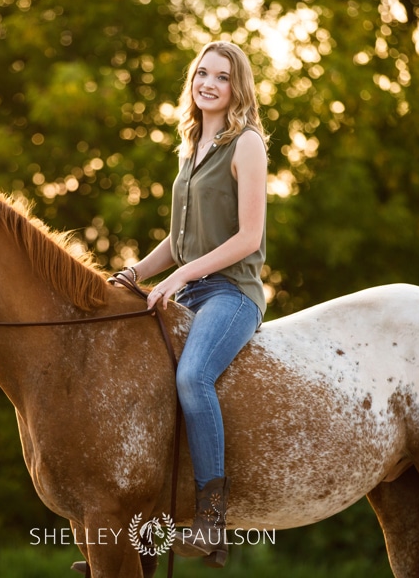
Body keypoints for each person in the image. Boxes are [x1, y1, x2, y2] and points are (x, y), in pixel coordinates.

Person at [115, 40, 268, 569]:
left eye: (222, 77)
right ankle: (145, 526)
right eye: (202, 73)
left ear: (237, 88)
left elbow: (249, 236)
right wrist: (135, 272)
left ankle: (212, 519)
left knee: (191, 378)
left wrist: (180, 274)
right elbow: (180, 241)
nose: (209, 83)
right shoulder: (190, 146)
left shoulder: (245, 143)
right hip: (190, 292)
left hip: (231, 294)